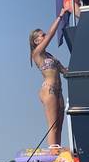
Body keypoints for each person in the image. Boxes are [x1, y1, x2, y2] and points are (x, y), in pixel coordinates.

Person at [29, 8, 69, 146]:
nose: (44, 36)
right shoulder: (37, 53)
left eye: (44, 34)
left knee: (59, 126)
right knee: (52, 126)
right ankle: (53, 152)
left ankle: (57, 151)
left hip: (59, 91)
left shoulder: (50, 56)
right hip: (49, 90)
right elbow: (51, 34)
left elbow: (64, 71)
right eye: (42, 35)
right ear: (35, 41)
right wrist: (60, 17)